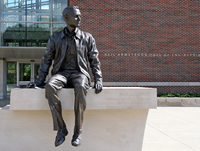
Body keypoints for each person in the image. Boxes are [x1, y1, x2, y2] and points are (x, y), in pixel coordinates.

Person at [27, 5, 103, 147]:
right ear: (66, 18)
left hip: (79, 73)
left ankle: (77, 132)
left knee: (80, 87)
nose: (79, 18)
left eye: (80, 15)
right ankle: (61, 129)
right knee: (49, 86)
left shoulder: (87, 37)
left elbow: (94, 59)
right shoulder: (55, 38)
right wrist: (39, 82)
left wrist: (98, 79)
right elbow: (46, 61)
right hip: (61, 74)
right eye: (76, 16)